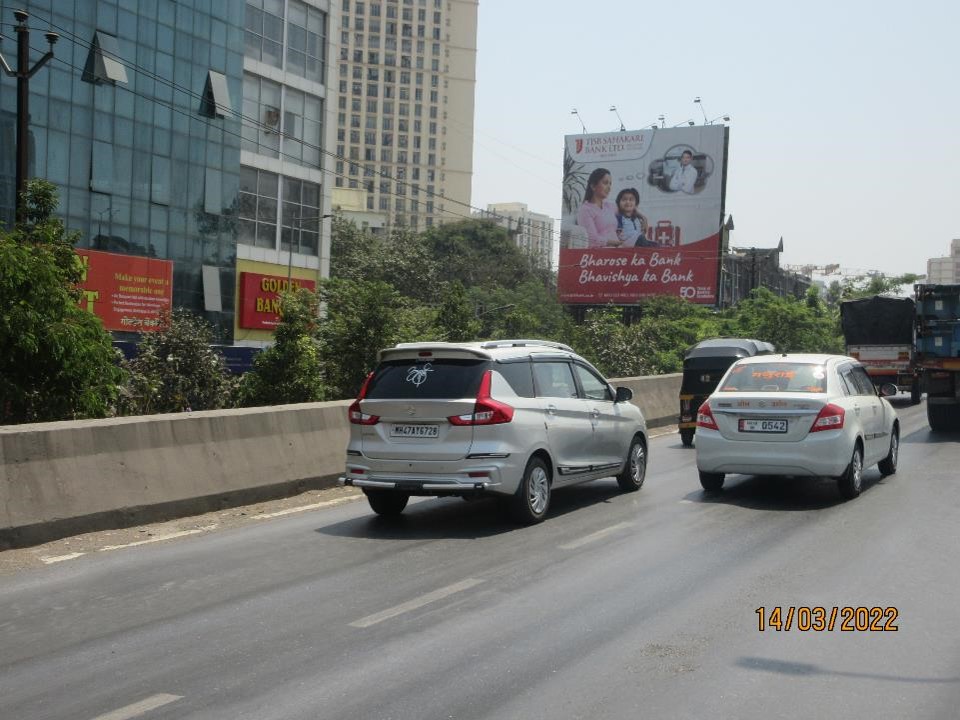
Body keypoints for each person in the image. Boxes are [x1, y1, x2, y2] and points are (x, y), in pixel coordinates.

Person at [577, 168, 620, 247]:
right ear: (593, 186)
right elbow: (592, 239)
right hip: (599, 255)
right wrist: (617, 243)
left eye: (610, 184)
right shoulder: (585, 210)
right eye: (605, 183)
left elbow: (626, 209)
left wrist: (642, 217)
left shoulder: (609, 206)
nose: (609, 187)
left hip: (617, 251)